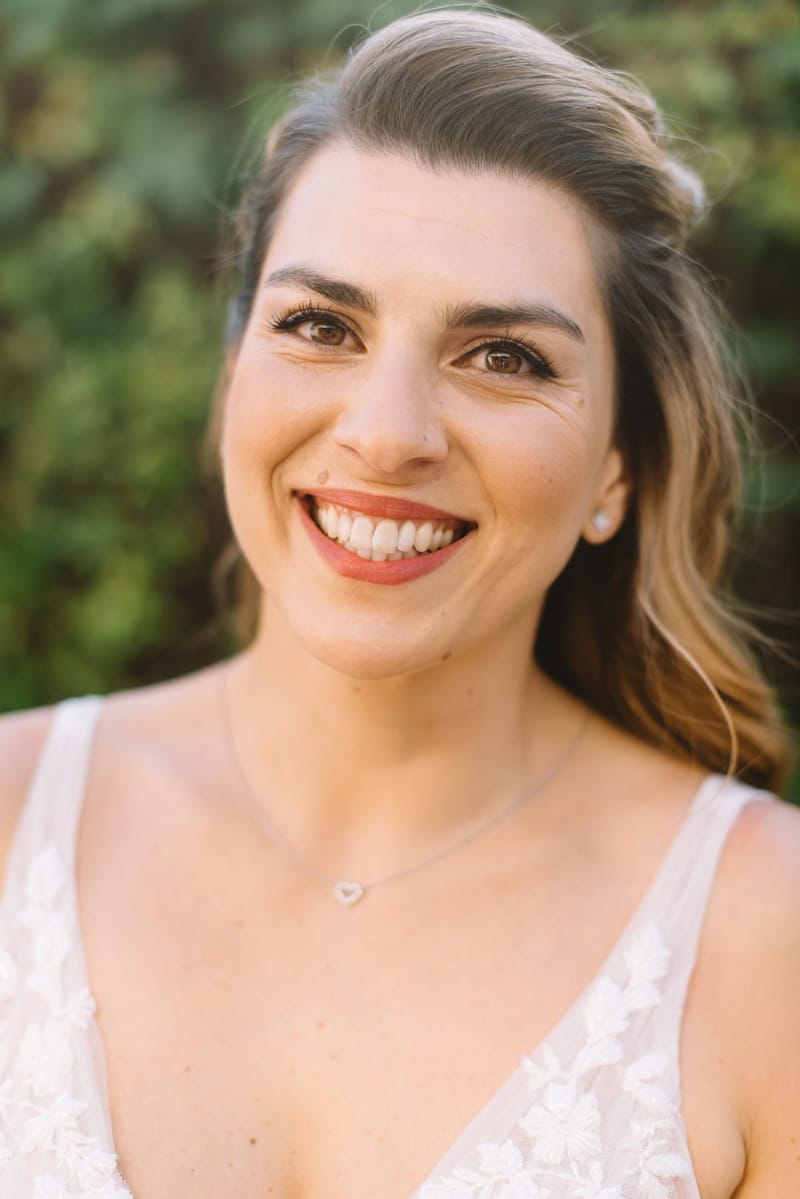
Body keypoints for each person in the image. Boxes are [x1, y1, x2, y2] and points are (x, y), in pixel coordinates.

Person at [0, 7, 797, 1197]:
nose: (384, 434)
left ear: (615, 468)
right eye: (319, 326)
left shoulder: (766, 938)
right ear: (233, 380)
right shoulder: (12, 818)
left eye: (503, 357)